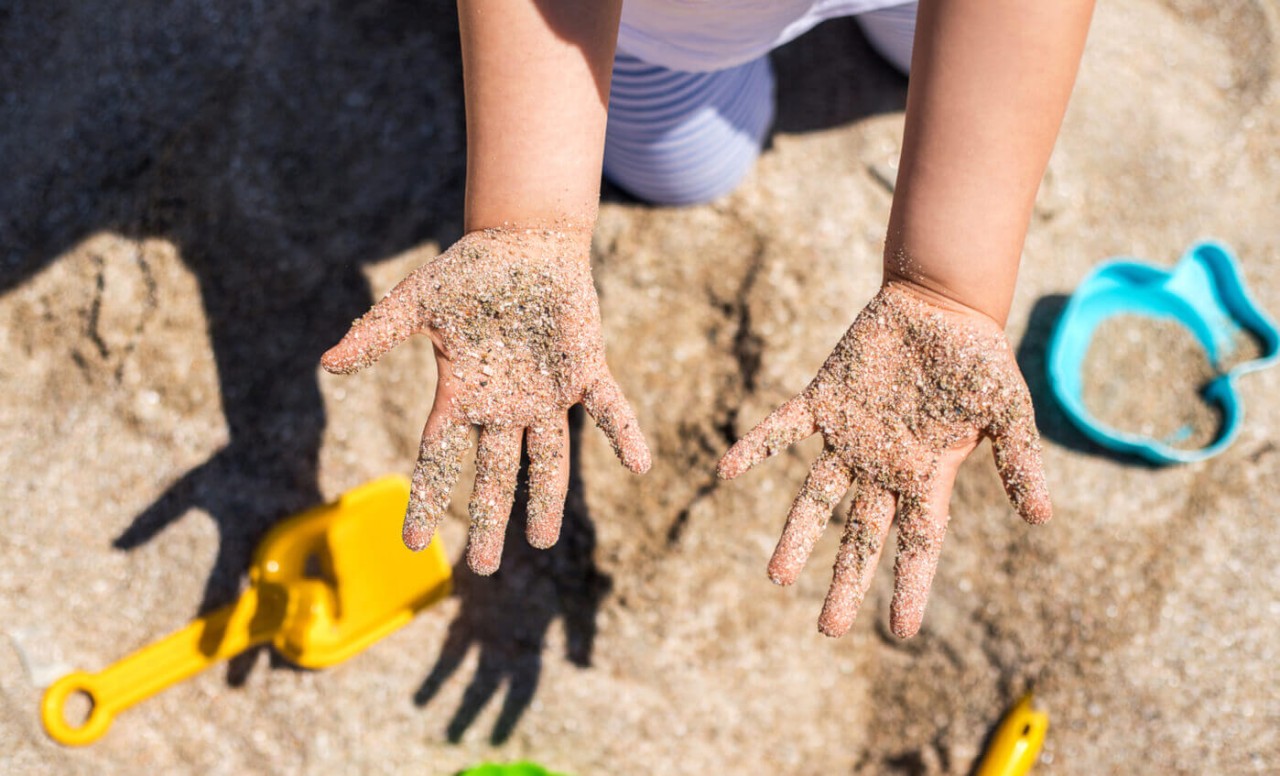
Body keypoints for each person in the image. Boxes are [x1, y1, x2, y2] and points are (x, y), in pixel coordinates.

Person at [322, 0, 1095, 638]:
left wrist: (949, 287)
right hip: (654, 24)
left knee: (945, 59)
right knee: (691, 170)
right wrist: (526, 219)